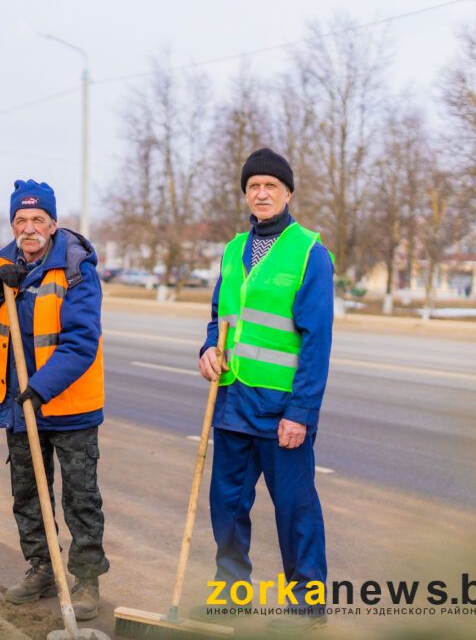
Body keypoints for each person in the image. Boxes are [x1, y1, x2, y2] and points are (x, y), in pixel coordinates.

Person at [196, 148, 334, 634]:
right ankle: (233, 595)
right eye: (253, 186)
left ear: (287, 193)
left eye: (270, 186)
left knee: (296, 512)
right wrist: (208, 349)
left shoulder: (309, 252)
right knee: (227, 509)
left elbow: (317, 342)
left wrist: (301, 412)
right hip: (232, 403)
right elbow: (220, 317)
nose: (261, 193)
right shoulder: (233, 250)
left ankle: (307, 608)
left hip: (281, 413)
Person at [0, 179, 108, 621]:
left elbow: (81, 343)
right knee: (27, 494)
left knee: (81, 498)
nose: (28, 228)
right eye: (21, 220)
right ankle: (42, 568)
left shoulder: (76, 266)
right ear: (13, 224)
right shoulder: (5, 261)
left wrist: (41, 388)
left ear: (53, 224)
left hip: (68, 404)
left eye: (37, 219)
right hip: (18, 405)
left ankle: (86, 580)